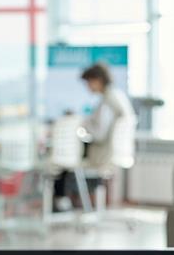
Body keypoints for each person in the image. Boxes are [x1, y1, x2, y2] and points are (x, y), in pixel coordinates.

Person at [53, 62, 136, 210]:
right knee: (66, 160)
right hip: (110, 151)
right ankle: (63, 200)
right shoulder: (115, 96)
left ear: (97, 80)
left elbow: (99, 134)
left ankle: (60, 200)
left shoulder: (108, 102)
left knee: (60, 157)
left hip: (102, 153)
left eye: (88, 82)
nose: (88, 87)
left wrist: (82, 124)